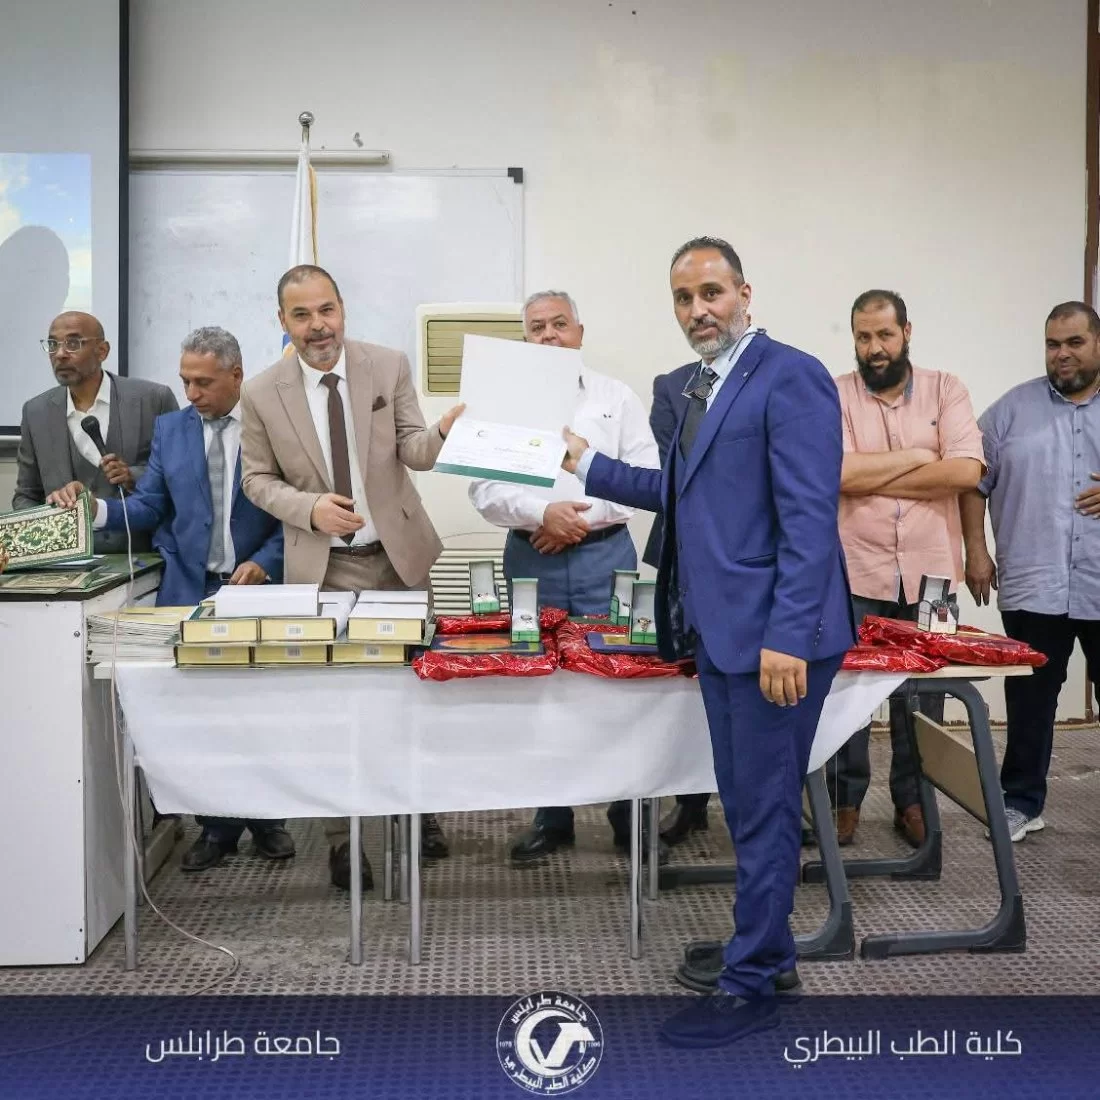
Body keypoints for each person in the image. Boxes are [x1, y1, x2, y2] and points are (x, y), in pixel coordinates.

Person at [561, 236, 854, 1048]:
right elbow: (682, 491)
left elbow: (809, 518)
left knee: (764, 810)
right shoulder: (697, 385)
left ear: (744, 295)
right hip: (722, 630)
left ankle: (751, 985)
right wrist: (586, 464)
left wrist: (787, 635)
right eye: (684, 298)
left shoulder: (790, 376)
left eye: (712, 293)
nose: (698, 310)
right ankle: (769, 952)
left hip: (776, 637)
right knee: (747, 802)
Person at [240, 264, 464, 890]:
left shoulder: (386, 365)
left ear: (342, 309)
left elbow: (413, 448)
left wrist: (443, 432)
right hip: (325, 570)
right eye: (302, 315)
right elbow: (256, 479)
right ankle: (343, 838)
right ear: (283, 321)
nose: (318, 326)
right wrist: (308, 508)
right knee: (334, 709)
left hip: (398, 562)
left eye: (327, 310)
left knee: (413, 696)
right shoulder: (260, 392)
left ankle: (418, 812)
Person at [47, 326, 292, 873]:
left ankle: (267, 820)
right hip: (190, 590)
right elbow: (152, 505)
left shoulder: (272, 425)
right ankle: (214, 826)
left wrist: (267, 561)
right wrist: (97, 511)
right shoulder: (172, 429)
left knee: (257, 712)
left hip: (256, 591)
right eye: (185, 381)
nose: (191, 393)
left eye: (203, 382)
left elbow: (292, 511)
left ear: (236, 375)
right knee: (201, 716)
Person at [468, 290, 663, 865]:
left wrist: (575, 521)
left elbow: (646, 478)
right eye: (537, 327)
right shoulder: (499, 403)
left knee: (620, 680)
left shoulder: (615, 397)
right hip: (533, 559)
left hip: (607, 557)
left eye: (559, 324)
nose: (549, 335)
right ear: (525, 338)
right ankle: (551, 815)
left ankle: (626, 811)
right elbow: (482, 489)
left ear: (579, 332)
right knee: (540, 685)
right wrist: (541, 515)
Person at [829, 290, 984, 847]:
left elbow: (965, 473)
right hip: (855, 568)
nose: (874, 347)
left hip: (932, 573)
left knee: (923, 693)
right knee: (846, 690)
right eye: (863, 336)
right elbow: (835, 474)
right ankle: (843, 801)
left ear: (907, 333)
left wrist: (875, 476)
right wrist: (921, 460)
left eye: (884, 335)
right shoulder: (835, 393)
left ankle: (913, 801)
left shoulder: (947, 389)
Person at [962, 301, 1100, 842]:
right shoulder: (1009, 412)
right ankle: (1021, 803)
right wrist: (977, 551)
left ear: (1097, 343)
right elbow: (972, 481)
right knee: (1030, 704)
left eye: (1074, 342)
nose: (1062, 354)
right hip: (1033, 583)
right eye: (1052, 344)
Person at [14, 312, 178, 552]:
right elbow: (25, 496)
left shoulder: (153, 399)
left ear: (102, 351)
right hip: (66, 562)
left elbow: (180, 479)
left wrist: (132, 476)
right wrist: (49, 525)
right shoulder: (36, 412)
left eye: (73, 343)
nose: (60, 354)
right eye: (53, 344)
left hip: (142, 558)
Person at [643, 364, 712, 845]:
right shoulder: (672, 386)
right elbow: (679, 470)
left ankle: (777, 810)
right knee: (689, 686)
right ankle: (691, 802)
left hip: (751, 561)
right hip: (684, 554)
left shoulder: (771, 376)